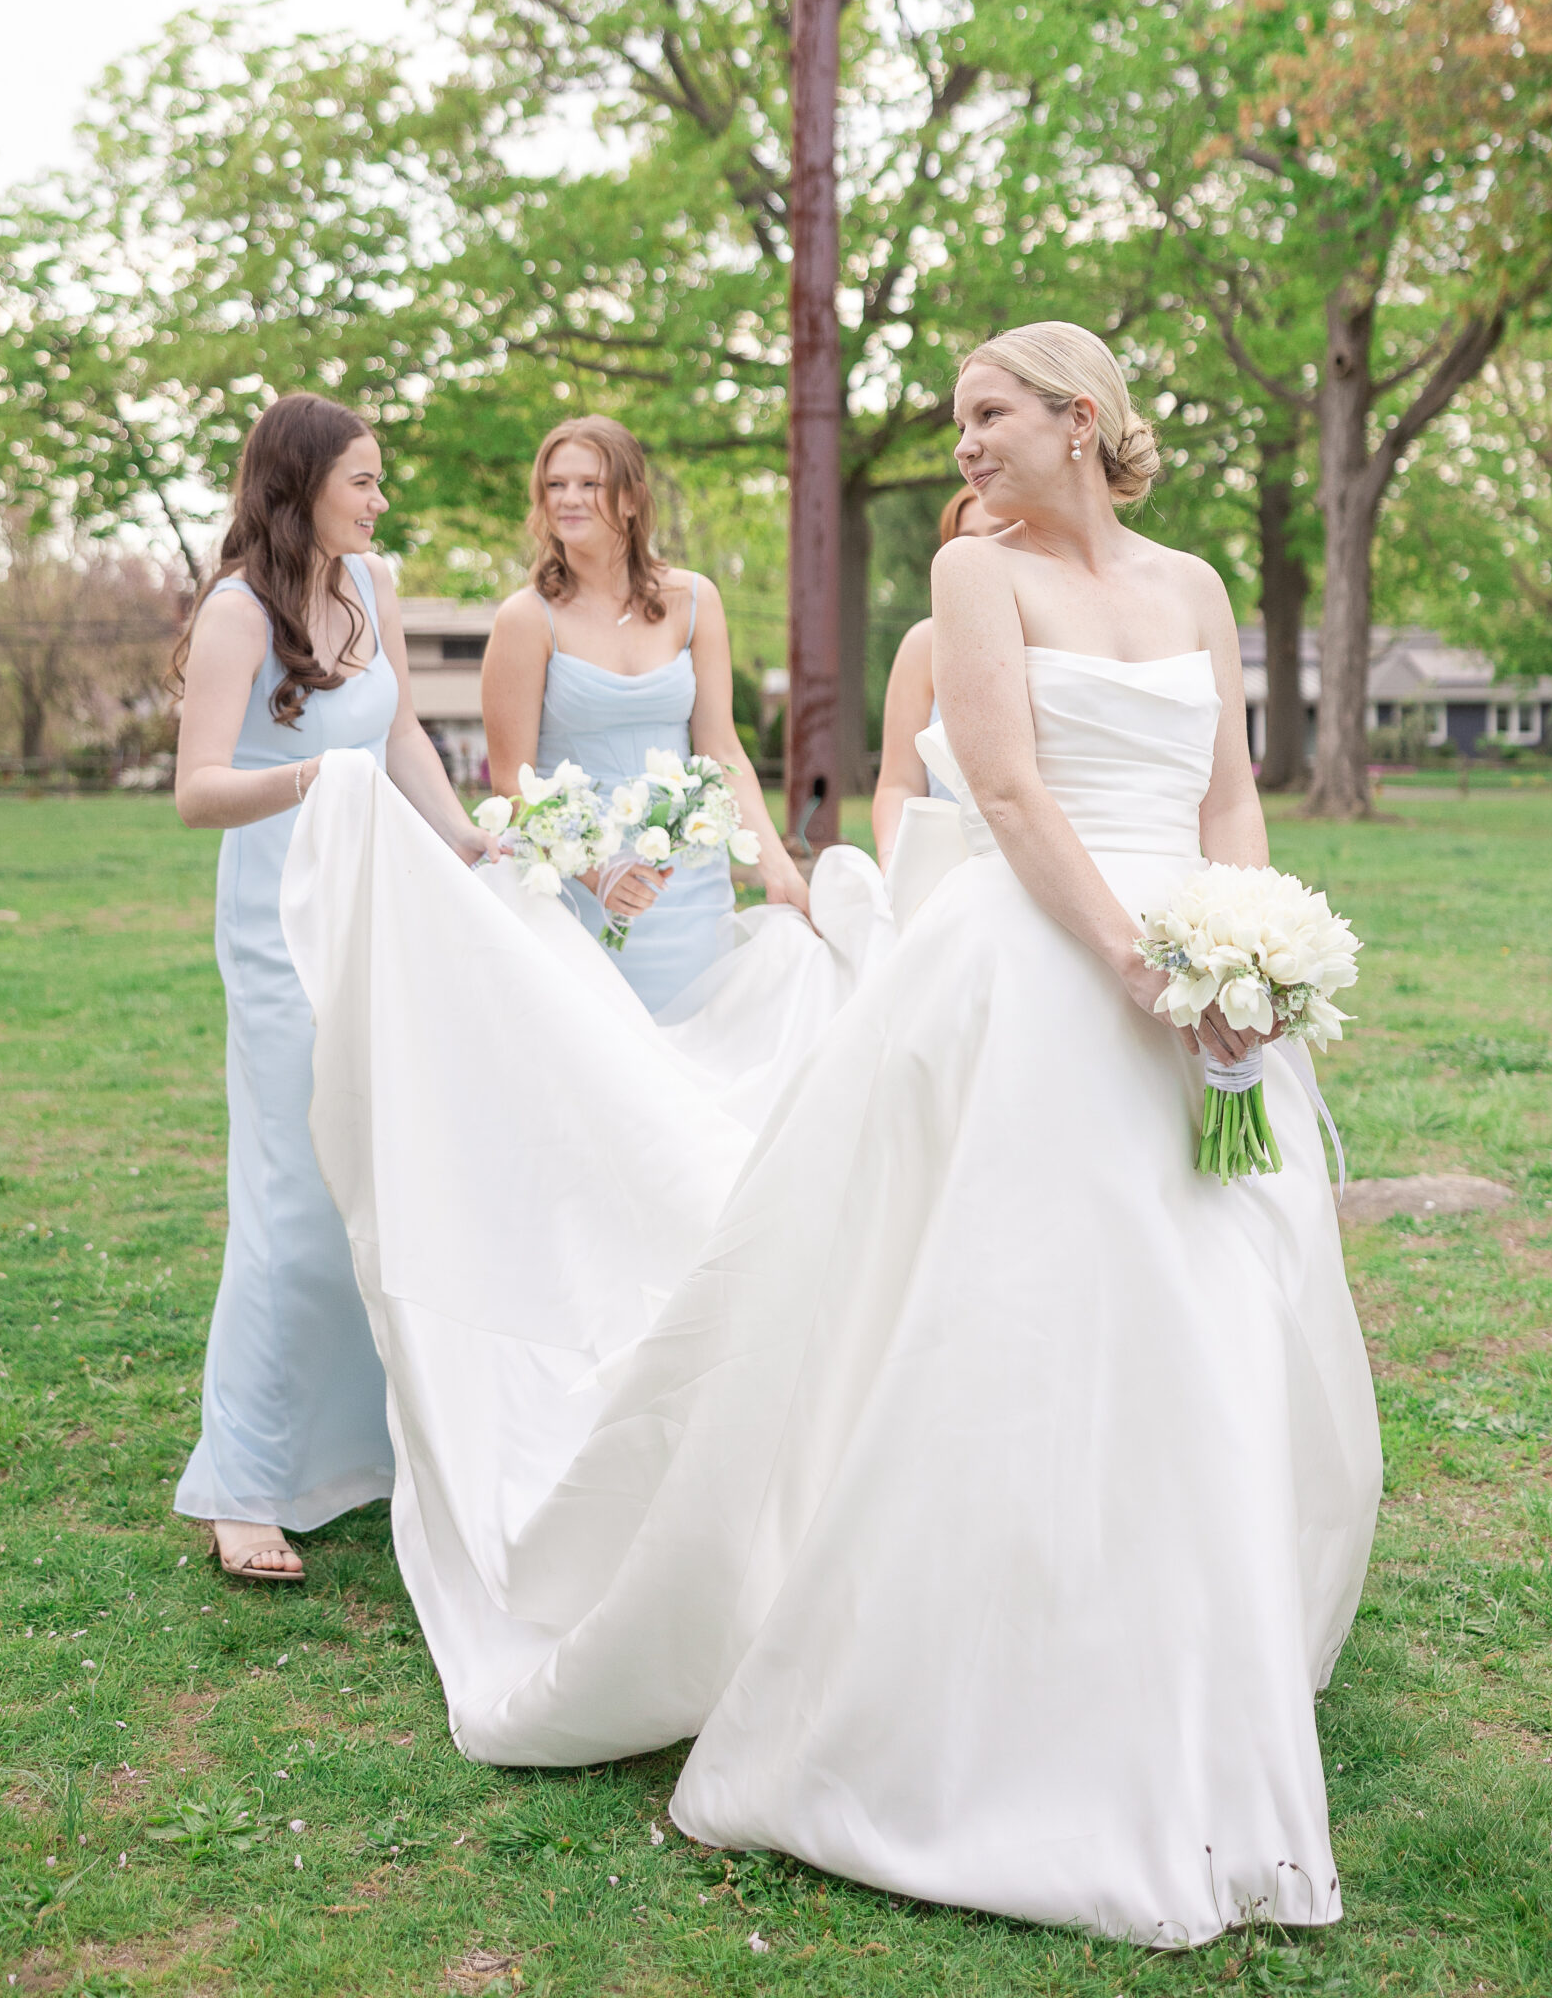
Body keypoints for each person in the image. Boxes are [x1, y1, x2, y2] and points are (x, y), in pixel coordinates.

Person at [283, 323, 1381, 1945]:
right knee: (1019, 1315)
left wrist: (1245, 939)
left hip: (1210, 997)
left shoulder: (1198, 588)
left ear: (1081, 419)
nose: (963, 446)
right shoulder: (976, 584)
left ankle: (1178, 1650)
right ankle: (966, 1676)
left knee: (1208, 1309)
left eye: (987, 416)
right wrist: (1148, 971)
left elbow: (1225, 790)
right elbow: (1003, 788)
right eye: (955, 422)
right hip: (1051, 978)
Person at [171, 395, 498, 1583]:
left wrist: (461, 838)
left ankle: (359, 1450)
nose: (378, 498)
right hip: (276, 916)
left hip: (379, 903)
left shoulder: (374, 582)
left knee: (378, 1172)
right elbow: (198, 791)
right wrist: (313, 775)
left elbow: (401, 728)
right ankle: (242, 1481)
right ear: (300, 482)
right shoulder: (237, 610)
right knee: (291, 1194)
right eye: (362, 479)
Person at [480, 414, 807, 1015]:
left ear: (630, 499)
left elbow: (721, 748)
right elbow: (512, 784)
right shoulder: (526, 619)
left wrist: (775, 861)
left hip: (687, 878)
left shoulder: (694, 599)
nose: (569, 499)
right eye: (555, 485)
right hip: (575, 886)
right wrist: (598, 872)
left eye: (590, 484)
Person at [871, 483, 1002, 868]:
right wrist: (893, 863)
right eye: (967, 541)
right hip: (942, 868)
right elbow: (897, 785)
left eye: (1000, 534)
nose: (982, 553)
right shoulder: (925, 644)